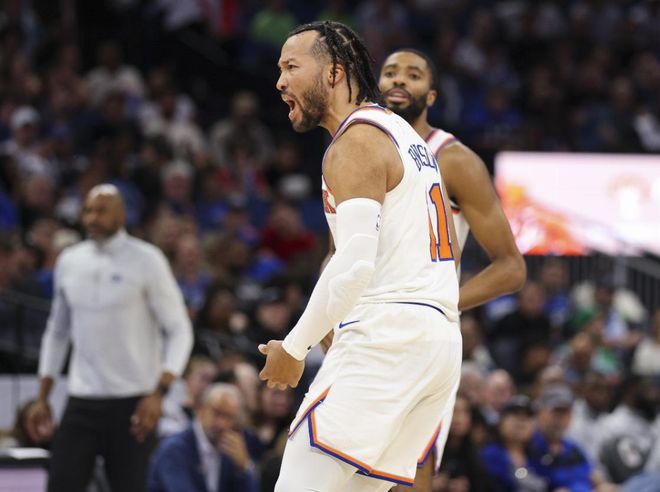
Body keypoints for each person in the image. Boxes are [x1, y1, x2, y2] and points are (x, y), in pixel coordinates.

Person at [259, 21, 463, 492]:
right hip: (437, 343)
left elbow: (353, 266)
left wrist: (294, 348)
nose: (280, 82)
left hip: (387, 338)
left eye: (291, 67)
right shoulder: (403, 134)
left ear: (333, 73)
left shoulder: (354, 142)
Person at [377, 48, 526, 490]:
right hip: (362, 327)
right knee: (344, 466)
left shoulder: (455, 159)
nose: (399, 80)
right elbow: (335, 251)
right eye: (390, 72)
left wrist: (439, 302)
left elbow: (511, 267)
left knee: (411, 469)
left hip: (423, 335)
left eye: (413, 74)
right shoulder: (355, 151)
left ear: (432, 95)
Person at [27, 184, 193, 492]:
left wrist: (159, 392)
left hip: (134, 402)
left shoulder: (148, 260)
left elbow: (180, 329)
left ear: (122, 214)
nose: (92, 218)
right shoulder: (70, 261)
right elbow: (57, 331)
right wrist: (42, 396)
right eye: (88, 210)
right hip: (82, 398)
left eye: (102, 210)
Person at [147, 383, 260, 492]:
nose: (221, 423)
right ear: (200, 409)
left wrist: (244, 468)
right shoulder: (174, 449)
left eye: (228, 417)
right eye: (217, 413)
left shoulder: (230, 451)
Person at [480, 395, 547, 492]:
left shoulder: (539, 455)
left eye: (527, 417)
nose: (521, 421)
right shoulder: (489, 455)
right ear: (501, 422)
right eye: (515, 414)